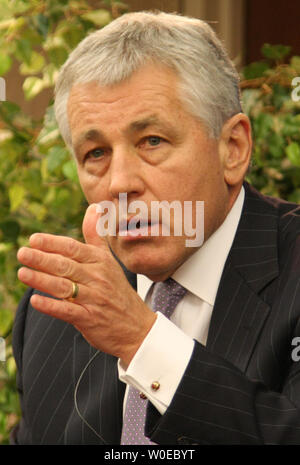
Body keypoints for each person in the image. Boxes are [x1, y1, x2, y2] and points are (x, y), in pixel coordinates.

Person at [12, 11, 300, 445]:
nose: (120, 183)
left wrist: (141, 339)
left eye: (152, 141)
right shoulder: (54, 311)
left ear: (233, 149)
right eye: (95, 153)